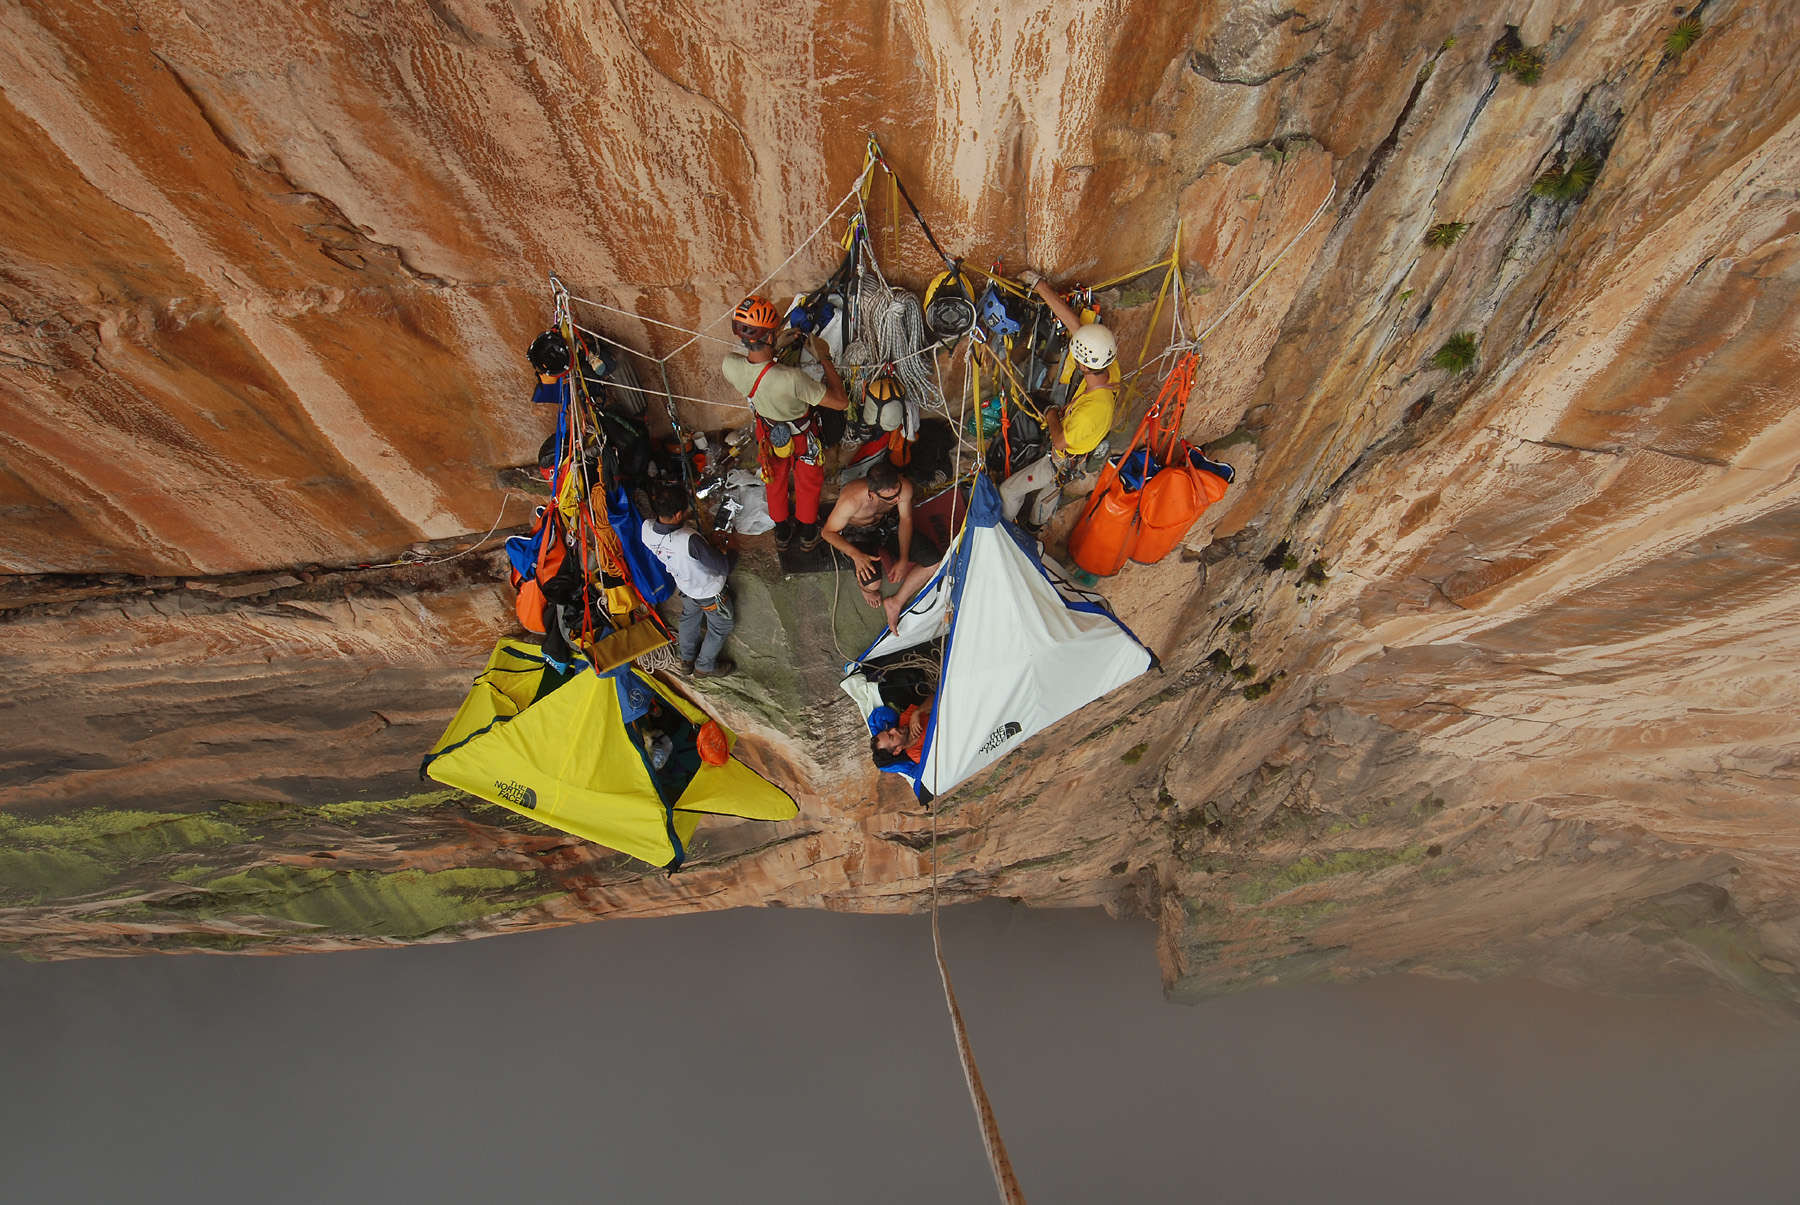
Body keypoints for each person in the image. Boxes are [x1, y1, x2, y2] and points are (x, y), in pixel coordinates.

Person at [720, 295, 850, 552]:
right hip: (802, 436)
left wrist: (775, 347)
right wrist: (824, 358)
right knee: (808, 484)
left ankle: (781, 533)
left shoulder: (730, 365)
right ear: (768, 337)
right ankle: (808, 533)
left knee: (774, 481)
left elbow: (758, 368)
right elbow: (840, 402)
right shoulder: (792, 378)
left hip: (768, 433)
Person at [999, 273, 1120, 528]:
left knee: (1010, 490)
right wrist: (1040, 286)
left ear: (1082, 365)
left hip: (1062, 456)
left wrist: (1052, 413)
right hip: (1076, 453)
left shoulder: (1090, 412)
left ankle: (1005, 533)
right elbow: (1074, 325)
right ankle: (1034, 528)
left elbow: (1060, 440)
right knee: (1050, 493)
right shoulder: (1110, 369)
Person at [641, 483, 736, 678]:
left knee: (689, 618)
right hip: (709, 591)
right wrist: (733, 547)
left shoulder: (647, 529)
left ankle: (686, 659)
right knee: (721, 626)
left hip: (684, 584)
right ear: (677, 515)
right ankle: (704, 665)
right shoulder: (688, 539)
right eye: (685, 511)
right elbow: (724, 567)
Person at [819, 459, 917, 612]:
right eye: (890, 498)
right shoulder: (851, 500)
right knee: (872, 584)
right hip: (857, 533)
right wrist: (856, 555)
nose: (897, 499)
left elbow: (906, 519)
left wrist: (904, 558)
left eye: (897, 493)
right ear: (872, 494)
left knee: (926, 556)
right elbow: (827, 532)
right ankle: (866, 590)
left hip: (882, 525)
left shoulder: (903, 488)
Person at [872, 693, 934, 768]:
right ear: (897, 750)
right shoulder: (919, 755)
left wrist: (917, 712)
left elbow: (936, 697)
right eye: (891, 736)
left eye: (888, 730)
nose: (893, 729)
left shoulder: (906, 718)